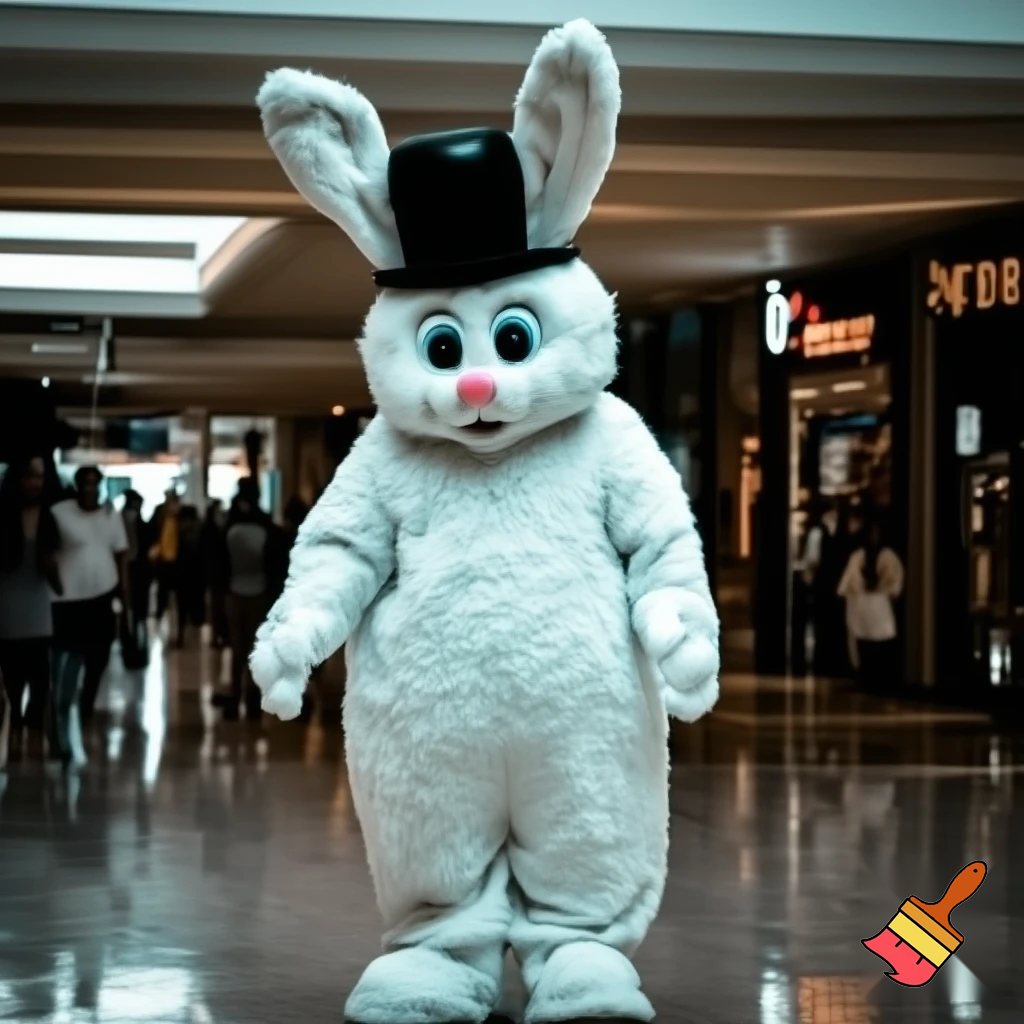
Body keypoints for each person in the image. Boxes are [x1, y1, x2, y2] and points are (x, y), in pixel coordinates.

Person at [50, 466, 129, 762]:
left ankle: (85, 707)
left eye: (95, 484)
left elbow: (121, 553)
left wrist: (124, 591)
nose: (90, 489)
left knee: (99, 656)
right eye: (85, 483)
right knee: (69, 660)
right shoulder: (60, 513)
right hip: (69, 599)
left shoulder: (110, 515)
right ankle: (61, 715)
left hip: (103, 595)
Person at [0, 455, 62, 761]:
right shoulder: (3, 515)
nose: (35, 483)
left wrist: (59, 582)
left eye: (39, 477)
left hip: (38, 602)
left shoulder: (49, 517)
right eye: (29, 476)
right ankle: (14, 730)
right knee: (12, 676)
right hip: (8, 602)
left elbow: (52, 564)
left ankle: (34, 729)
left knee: (40, 675)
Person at [217, 480, 286, 720]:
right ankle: (253, 702)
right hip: (260, 595)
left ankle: (236, 699)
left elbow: (219, 567)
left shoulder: (228, 527)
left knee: (238, 650)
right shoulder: (268, 528)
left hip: (235, 595)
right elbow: (277, 566)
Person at [837, 514, 904, 686]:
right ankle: (867, 675)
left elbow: (894, 582)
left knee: (876, 644)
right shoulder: (859, 556)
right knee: (865, 643)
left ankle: (875, 676)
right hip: (867, 604)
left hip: (876, 604)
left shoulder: (886, 556)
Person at [120, 489, 151, 667]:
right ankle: (134, 647)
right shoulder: (133, 520)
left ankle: (132, 647)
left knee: (133, 612)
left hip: (135, 570)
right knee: (136, 612)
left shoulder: (123, 518)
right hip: (135, 570)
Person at [173, 504, 205, 647]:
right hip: (194, 577)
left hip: (184, 577)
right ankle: (189, 637)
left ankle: (184, 637)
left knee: (183, 609)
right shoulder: (199, 532)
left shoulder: (180, 533)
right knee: (189, 608)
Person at [148, 488, 180, 626]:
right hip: (162, 557)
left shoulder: (180, 513)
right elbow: (153, 531)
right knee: (162, 588)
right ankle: (161, 611)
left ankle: (176, 616)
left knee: (176, 591)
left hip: (177, 559)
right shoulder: (160, 512)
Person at [201, 500, 229, 649]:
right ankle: (218, 636)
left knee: (218, 607)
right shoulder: (214, 529)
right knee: (217, 607)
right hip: (216, 574)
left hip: (216, 574)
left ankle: (219, 636)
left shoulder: (217, 528)